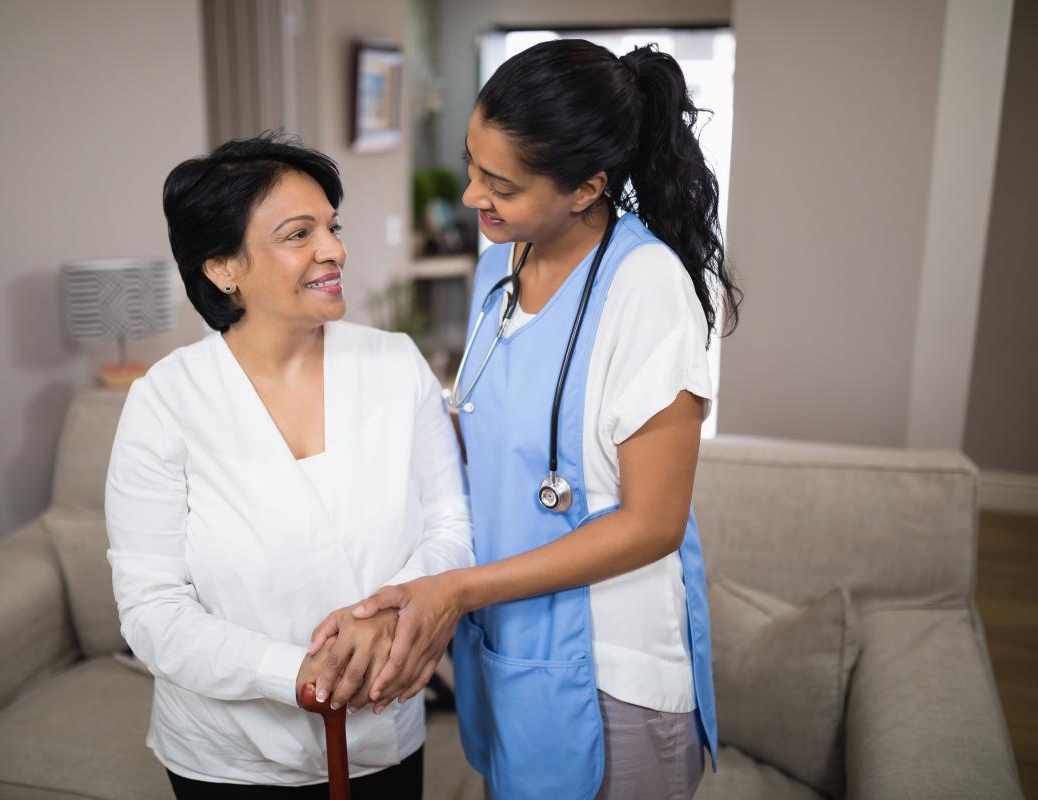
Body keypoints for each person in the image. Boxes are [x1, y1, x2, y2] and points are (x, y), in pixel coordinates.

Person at [309, 40, 742, 799]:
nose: (473, 195)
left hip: (614, 667)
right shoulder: (500, 264)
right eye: (473, 165)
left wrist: (461, 590)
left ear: (585, 188)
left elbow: (653, 523)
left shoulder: (646, 289)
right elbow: (481, 436)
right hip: (508, 644)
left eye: (500, 184)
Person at [104, 134, 473, 799]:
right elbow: (152, 609)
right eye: (299, 234)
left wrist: (399, 614)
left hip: (381, 736)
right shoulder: (166, 401)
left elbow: (450, 520)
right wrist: (298, 672)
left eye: (332, 227)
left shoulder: (394, 365)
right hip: (226, 758)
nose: (333, 249)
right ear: (223, 266)